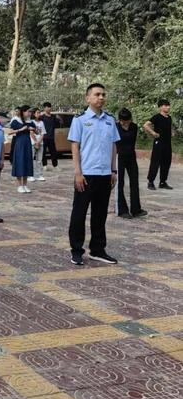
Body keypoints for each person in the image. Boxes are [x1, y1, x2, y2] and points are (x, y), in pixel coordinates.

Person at [67, 83, 120, 266]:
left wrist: (113, 170)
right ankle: (76, 250)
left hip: (105, 174)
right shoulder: (80, 120)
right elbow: (74, 146)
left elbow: (113, 145)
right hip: (86, 174)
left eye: (103, 94)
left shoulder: (110, 120)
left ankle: (98, 249)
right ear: (87, 98)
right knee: (79, 214)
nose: (101, 97)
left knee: (100, 214)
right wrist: (77, 173)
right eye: (97, 94)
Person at [116, 108, 147, 219]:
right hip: (119, 157)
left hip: (131, 157)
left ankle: (136, 209)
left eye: (129, 120)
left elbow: (132, 141)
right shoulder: (115, 127)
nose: (127, 123)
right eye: (125, 121)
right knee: (120, 183)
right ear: (120, 120)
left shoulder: (134, 126)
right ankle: (122, 210)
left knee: (134, 182)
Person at [145, 99, 174, 190]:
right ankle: (150, 182)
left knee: (166, 163)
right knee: (155, 162)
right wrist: (153, 133)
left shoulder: (169, 117)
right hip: (159, 143)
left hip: (167, 144)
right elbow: (146, 125)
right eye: (166, 105)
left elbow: (169, 128)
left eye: (168, 105)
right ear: (161, 107)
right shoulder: (157, 117)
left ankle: (162, 182)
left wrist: (172, 132)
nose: (168, 107)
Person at [9, 105, 36, 193]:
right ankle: (19, 185)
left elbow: (36, 129)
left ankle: (25, 184)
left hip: (27, 142)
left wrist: (34, 129)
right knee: (20, 161)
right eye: (28, 111)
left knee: (27, 161)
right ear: (23, 112)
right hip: (20, 143)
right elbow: (10, 131)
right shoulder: (16, 120)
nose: (29, 113)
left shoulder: (30, 121)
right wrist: (21, 129)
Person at [28, 108, 46, 182]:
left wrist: (39, 142)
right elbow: (31, 133)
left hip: (40, 143)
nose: (39, 114)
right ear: (34, 114)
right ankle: (30, 175)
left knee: (39, 160)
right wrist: (35, 142)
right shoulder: (31, 122)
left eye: (39, 112)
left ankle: (39, 175)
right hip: (33, 143)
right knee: (31, 159)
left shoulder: (42, 122)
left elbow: (43, 133)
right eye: (37, 112)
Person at [41, 102, 59, 170]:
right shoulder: (42, 117)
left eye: (50, 107)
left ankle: (55, 165)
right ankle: (44, 165)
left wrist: (59, 118)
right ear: (44, 108)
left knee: (53, 152)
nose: (49, 108)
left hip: (51, 137)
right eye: (47, 107)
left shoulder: (53, 117)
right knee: (43, 152)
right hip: (44, 137)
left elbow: (60, 123)